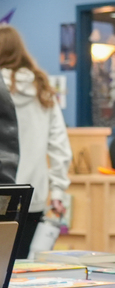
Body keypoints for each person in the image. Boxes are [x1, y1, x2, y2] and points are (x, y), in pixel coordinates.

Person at [0, 24, 71, 258]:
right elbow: (60, 145)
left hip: (2, 191)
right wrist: (58, 192)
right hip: (33, 195)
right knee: (20, 264)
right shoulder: (42, 87)